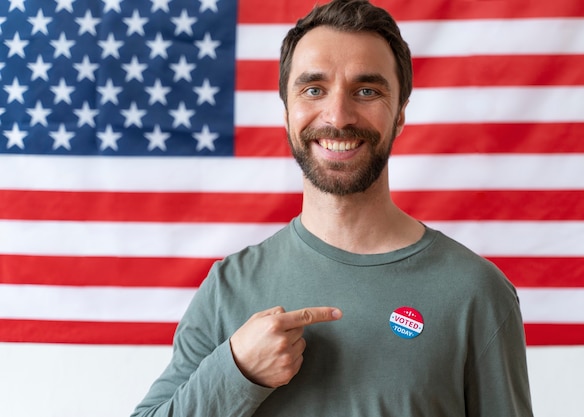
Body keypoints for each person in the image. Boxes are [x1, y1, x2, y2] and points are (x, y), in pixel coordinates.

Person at [131, 0, 534, 416]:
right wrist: (236, 373)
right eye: (313, 90)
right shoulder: (229, 287)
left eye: (367, 91)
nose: (338, 116)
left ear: (398, 116)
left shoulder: (476, 292)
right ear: (288, 113)